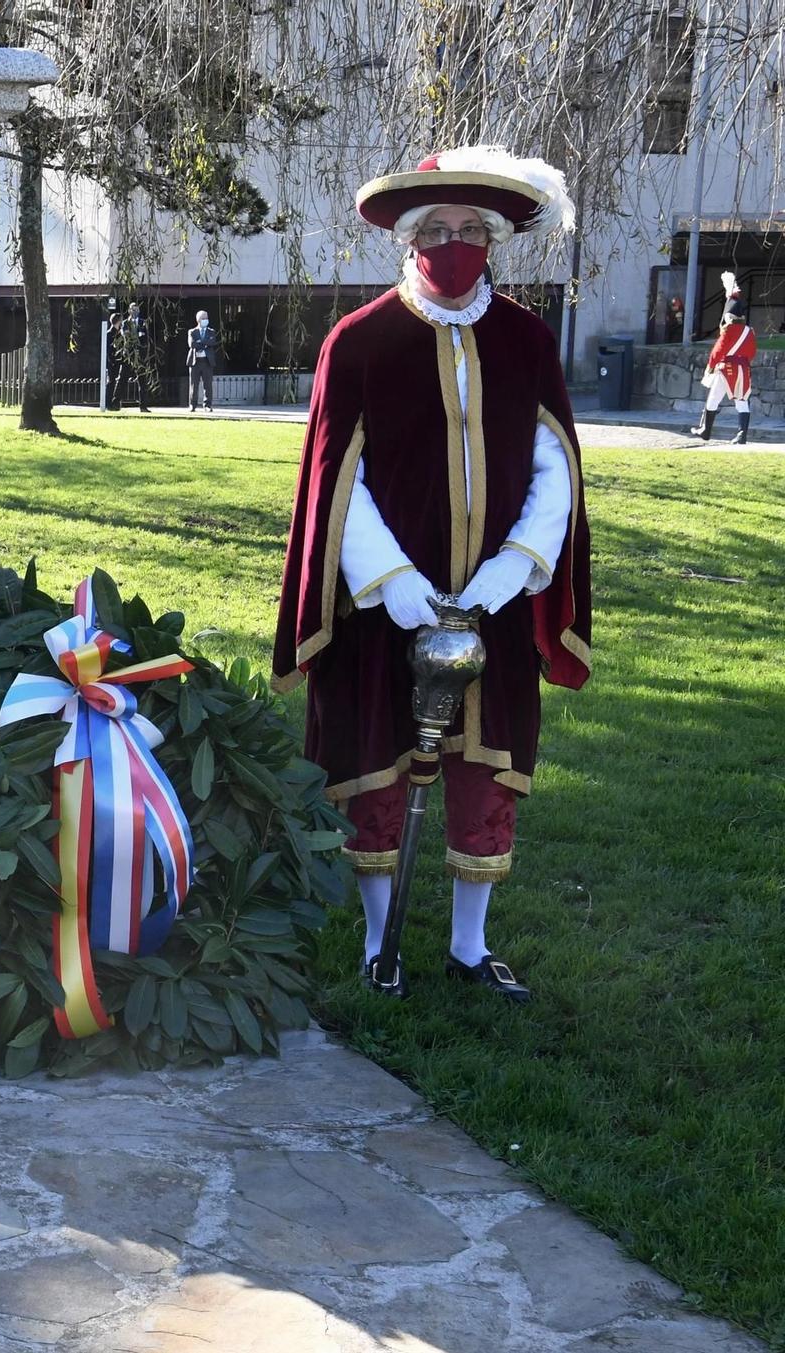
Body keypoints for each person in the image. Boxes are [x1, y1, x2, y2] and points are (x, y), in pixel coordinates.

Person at [272, 146, 591, 1003]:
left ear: (493, 239)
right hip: (387, 607)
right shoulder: (361, 340)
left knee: (483, 771)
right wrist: (397, 584)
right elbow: (339, 480)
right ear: (408, 240)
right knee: (379, 767)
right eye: (438, 230)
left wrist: (514, 569)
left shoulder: (525, 337)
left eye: (471, 231)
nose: (454, 246)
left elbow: (555, 462)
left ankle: (467, 944)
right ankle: (381, 943)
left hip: (492, 603)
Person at [692, 271, 756, 444]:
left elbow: (718, 350)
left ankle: (706, 430)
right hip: (743, 368)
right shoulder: (749, 331)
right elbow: (752, 353)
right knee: (742, 401)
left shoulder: (728, 330)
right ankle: (742, 435)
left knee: (713, 399)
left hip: (725, 368)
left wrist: (709, 368)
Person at [112, 300, 152, 412]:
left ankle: (143, 406)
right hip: (128, 356)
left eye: (137, 309)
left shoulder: (143, 323)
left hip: (140, 357)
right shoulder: (125, 323)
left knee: (143, 381)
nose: (135, 311)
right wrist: (136, 337)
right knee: (122, 379)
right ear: (129, 311)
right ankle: (115, 403)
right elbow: (126, 336)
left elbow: (146, 339)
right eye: (133, 309)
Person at [186, 309, 219, 411]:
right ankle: (192, 405)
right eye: (204, 318)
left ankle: (207, 405)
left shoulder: (211, 332)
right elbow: (192, 344)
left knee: (208, 385)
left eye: (207, 318)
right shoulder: (192, 331)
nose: (206, 320)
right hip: (195, 362)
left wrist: (200, 342)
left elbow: (212, 342)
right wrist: (205, 343)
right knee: (194, 385)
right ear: (198, 320)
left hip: (207, 361)